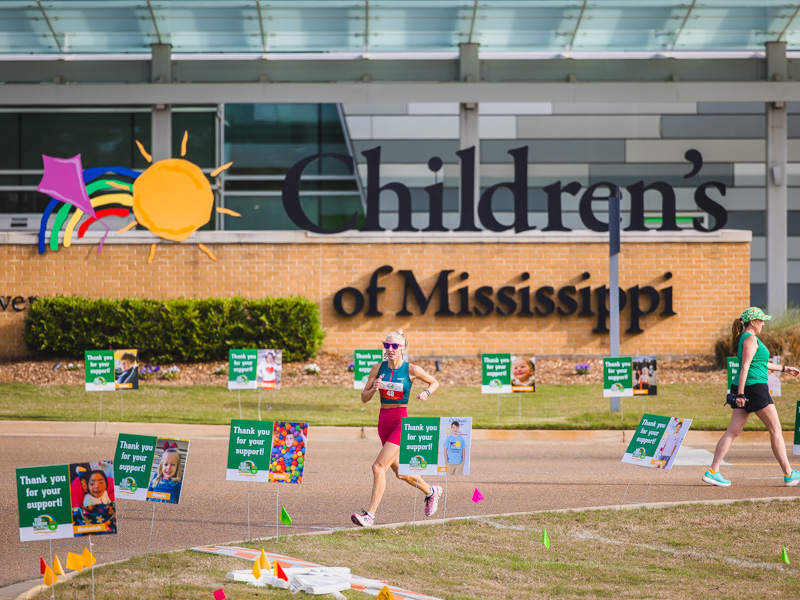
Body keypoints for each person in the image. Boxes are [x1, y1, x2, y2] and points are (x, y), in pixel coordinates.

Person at [351, 330, 441, 527]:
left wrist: (426, 393)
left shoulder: (412, 370)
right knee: (401, 472)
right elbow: (363, 398)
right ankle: (431, 491)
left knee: (378, 467)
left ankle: (370, 516)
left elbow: (434, 382)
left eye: (394, 346)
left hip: (401, 421)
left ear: (403, 349)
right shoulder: (377, 368)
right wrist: (374, 388)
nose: (390, 349)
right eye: (387, 345)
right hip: (383, 421)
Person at [702, 307, 800, 487]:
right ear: (752, 322)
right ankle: (788, 474)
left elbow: (761, 363)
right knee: (775, 429)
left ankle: (713, 471)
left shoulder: (746, 339)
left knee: (733, 431)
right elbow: (745, 367)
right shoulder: (751, 339)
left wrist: (786, 369)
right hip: (753, 388)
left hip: (748, 388)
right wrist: (740, 394)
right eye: (761, 320)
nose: (763, 323)